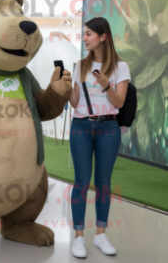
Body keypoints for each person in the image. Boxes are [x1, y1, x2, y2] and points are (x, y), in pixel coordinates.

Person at [69, 17, 131, 258]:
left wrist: (106, 85)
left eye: (88, 34)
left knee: (104, 184)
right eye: (83, 34)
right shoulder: (80, 66)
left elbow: (120, 102)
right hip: (81, 128)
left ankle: (101, 236)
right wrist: (65, 89)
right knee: (81, 183)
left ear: (103, 36)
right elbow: (75, 102)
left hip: (108, 129)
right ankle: (78, 238)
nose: (84, 38)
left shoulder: (120, 67)